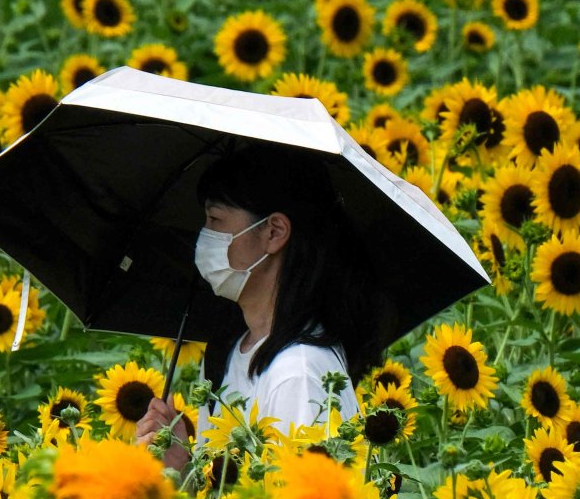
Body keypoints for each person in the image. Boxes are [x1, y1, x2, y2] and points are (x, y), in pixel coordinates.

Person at [135, 145, 394, 474]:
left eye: (215, 220)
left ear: (274, 232)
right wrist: (181, 466)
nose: (204, 237)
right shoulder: (229, 351)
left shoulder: (298, 373)